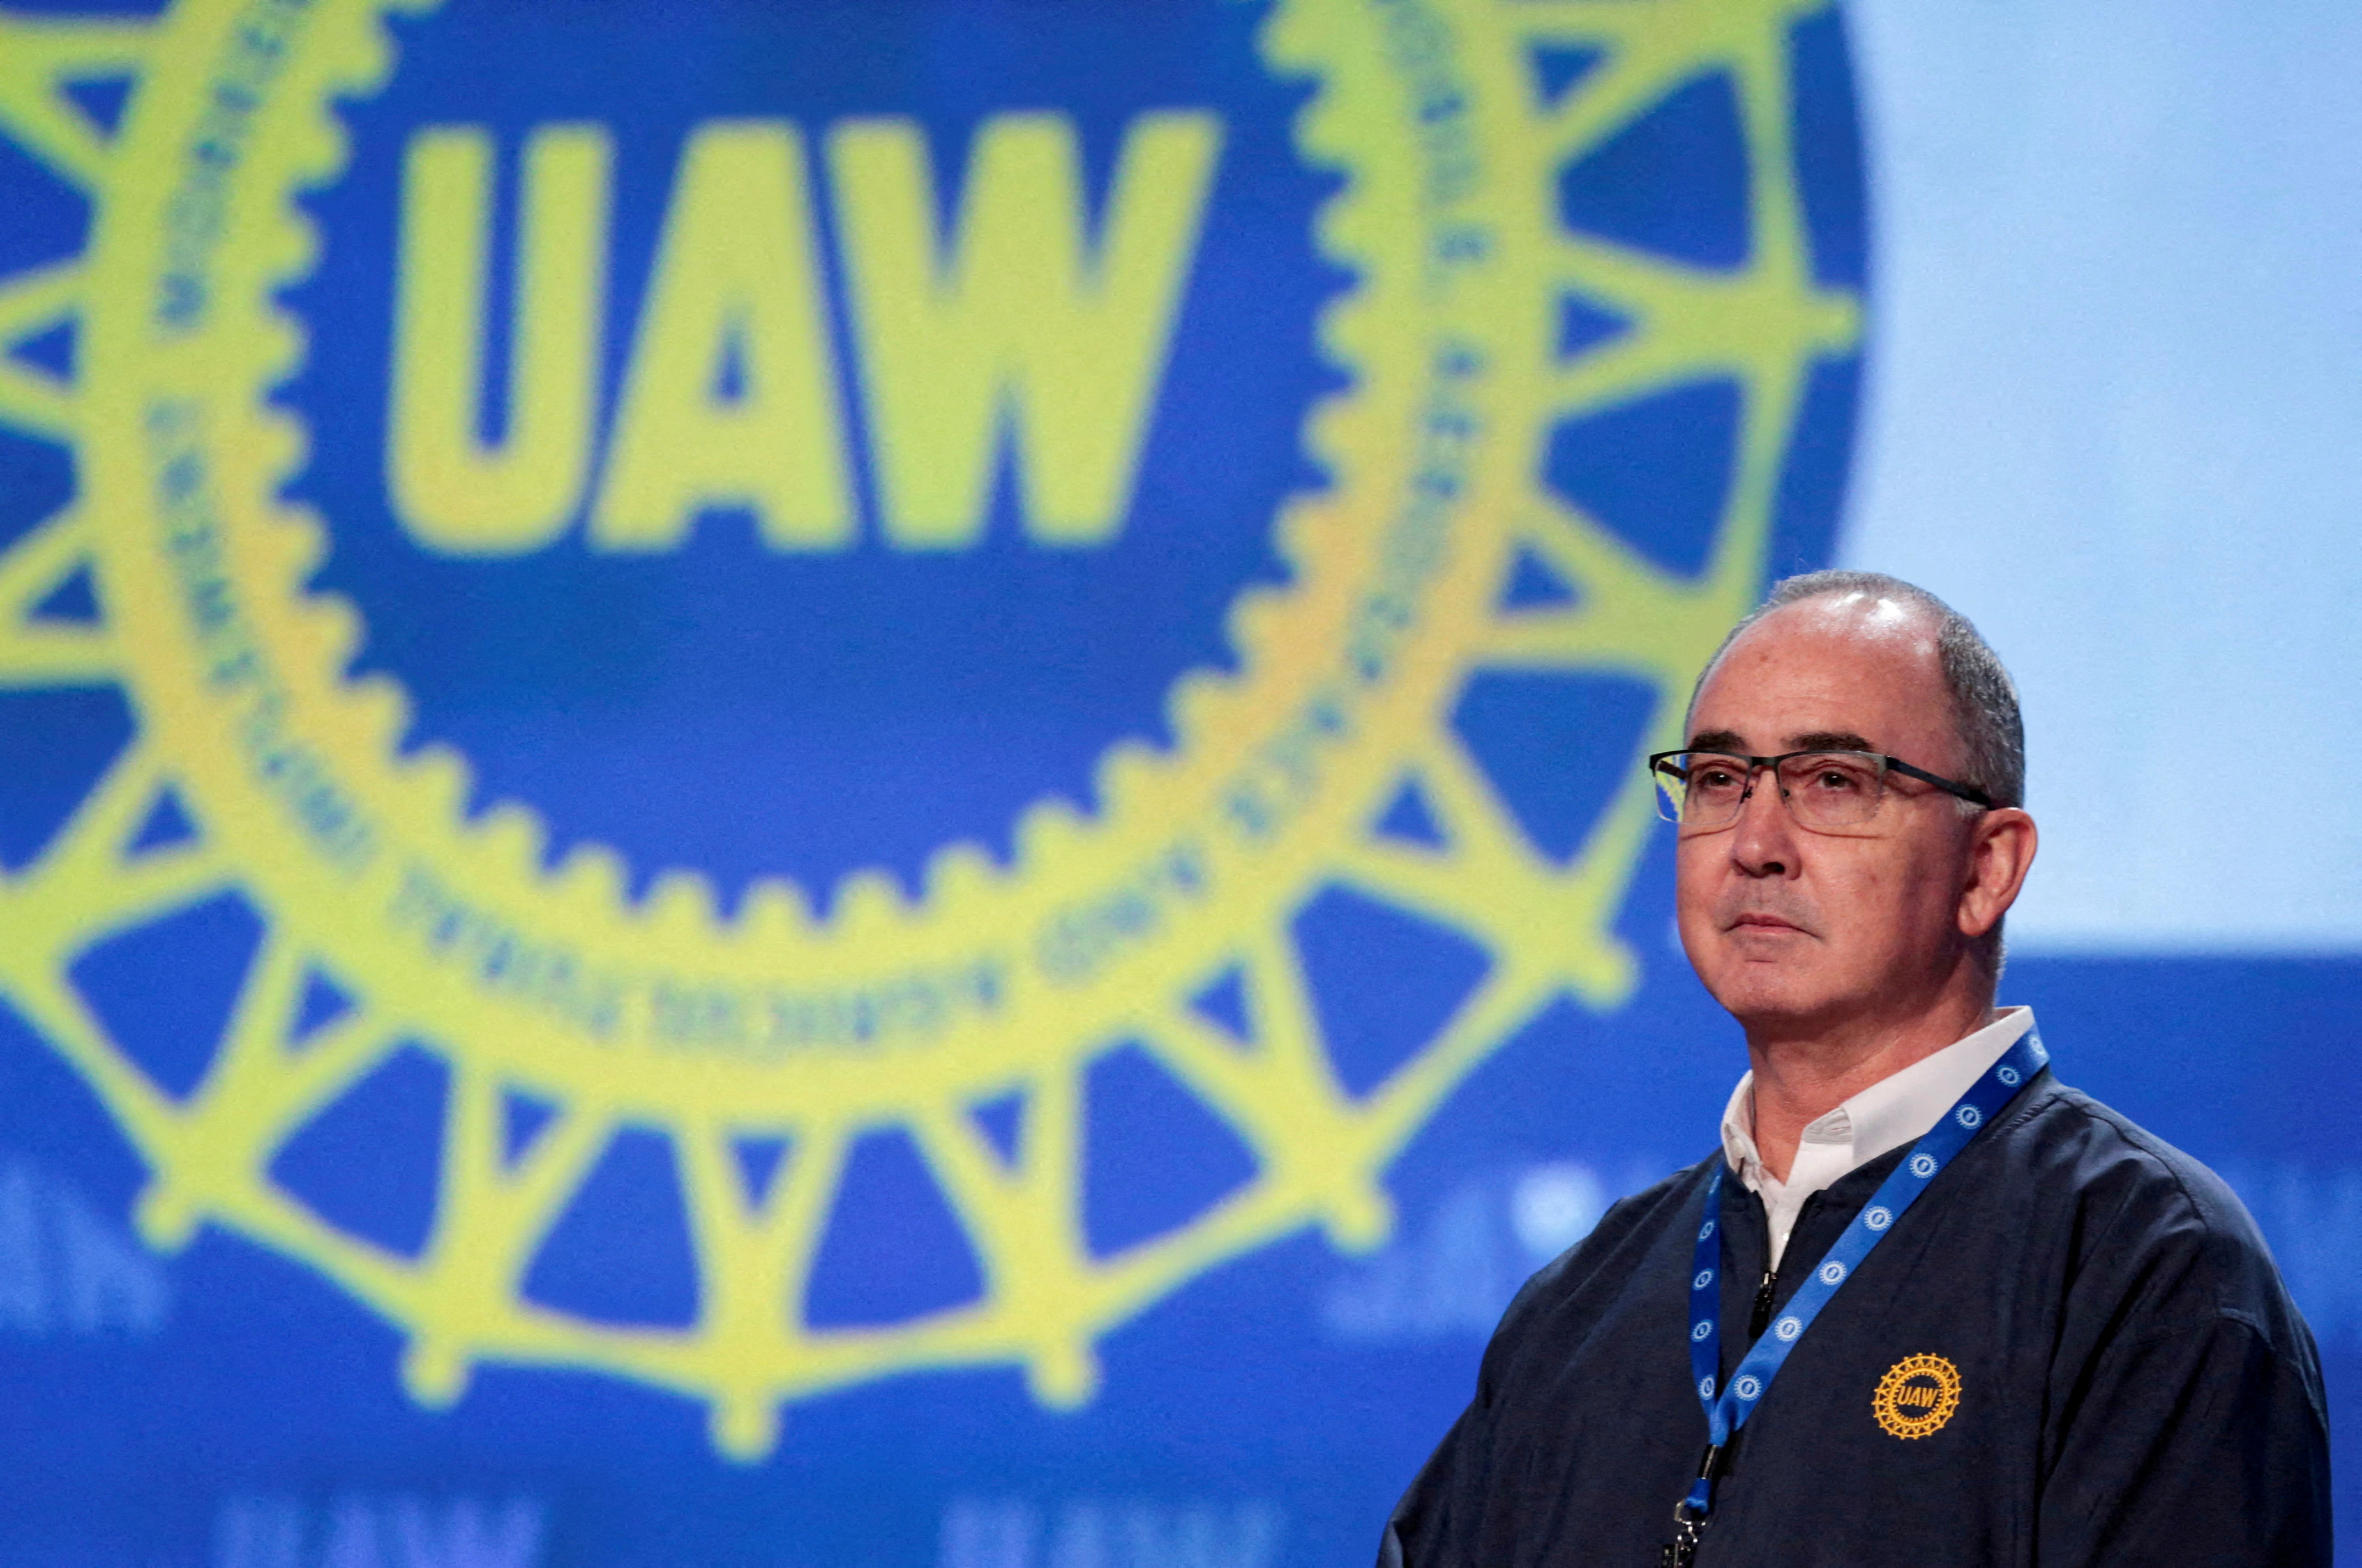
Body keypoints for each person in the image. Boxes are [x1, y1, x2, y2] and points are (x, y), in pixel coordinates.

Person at [1379, 571, 2333, 1566]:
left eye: (1833, 781)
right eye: (1720, 780)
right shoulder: (1580, 1308)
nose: (1755, 843)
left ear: (1987, 869)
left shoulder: (2144, 1266)